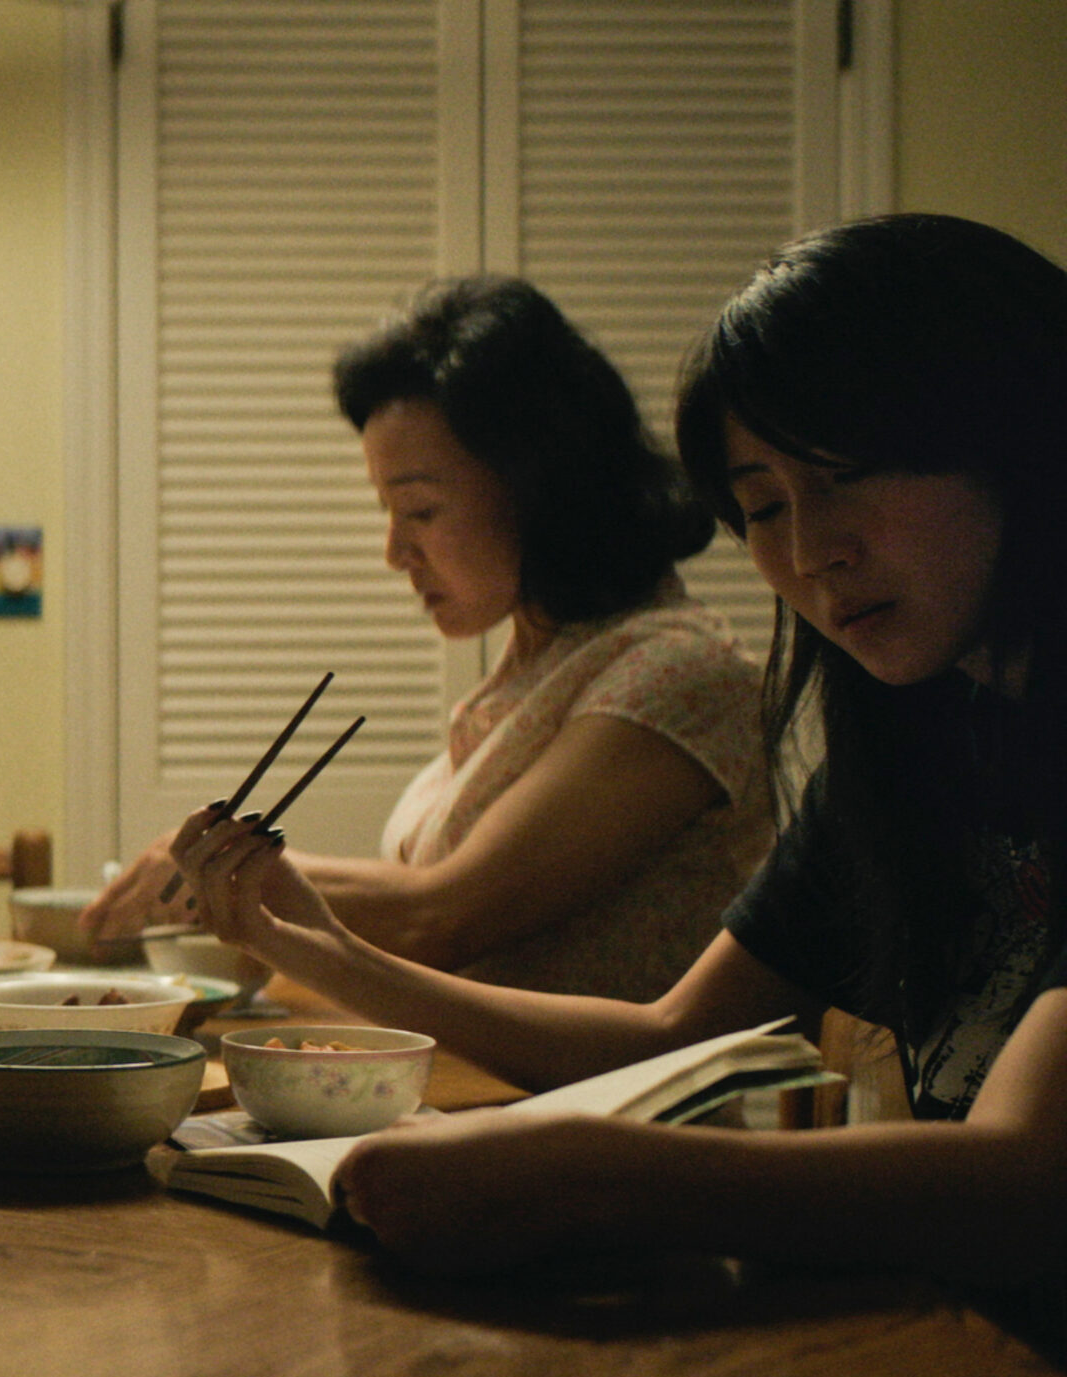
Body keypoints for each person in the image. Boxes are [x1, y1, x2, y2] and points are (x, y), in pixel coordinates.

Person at [171, 214, 1066, 1334]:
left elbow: (1026, 1188)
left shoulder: (672, 671)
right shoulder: (918, 739)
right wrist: (323, 955)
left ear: (1019, 434)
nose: (806, 553)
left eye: (847, 473)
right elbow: (676, 1032)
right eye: (764, 506)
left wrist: (598, 1175)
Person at [88, 278, 771, 1001]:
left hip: (593, 1109)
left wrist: (215, 863)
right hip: (466, 1095)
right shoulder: (537, 668)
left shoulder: (681, 674)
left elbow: (442, 914)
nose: (394, 550)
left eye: (420, 508)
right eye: (388, 510)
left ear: (538, 486)